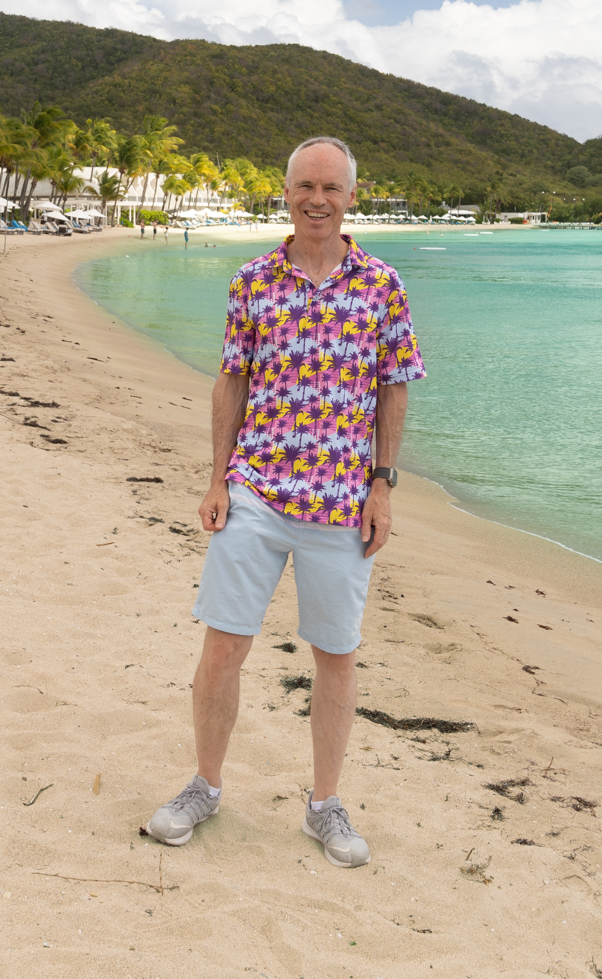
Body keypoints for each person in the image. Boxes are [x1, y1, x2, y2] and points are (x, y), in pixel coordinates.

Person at [145, 136, 425, 869]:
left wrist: (382, 484)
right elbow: (232, 379)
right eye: (305, 186)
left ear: (352, 197)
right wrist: (217, 479)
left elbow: (393, 385)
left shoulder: (383, 285)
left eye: (331, 188)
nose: (317, 200)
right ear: (287, 192)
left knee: (336, 655)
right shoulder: (252, 281)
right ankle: (205, 786)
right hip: (257, 491)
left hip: (343, 502)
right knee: (224, 645)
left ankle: (325, 805)